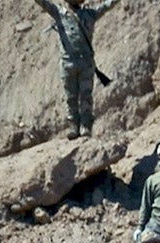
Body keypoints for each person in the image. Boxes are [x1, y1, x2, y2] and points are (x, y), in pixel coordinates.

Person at [30, 0, 115, 139]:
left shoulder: (89, 14)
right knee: (71, 97)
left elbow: (108, 5)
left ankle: (85, 126)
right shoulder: (60, 13)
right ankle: (74, 126)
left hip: (84, 63)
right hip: (69, 63)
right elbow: (43, 3)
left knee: (85, 96)